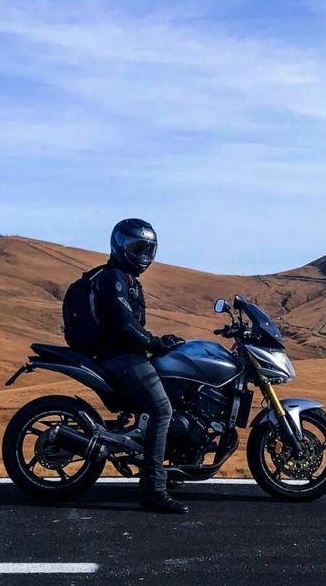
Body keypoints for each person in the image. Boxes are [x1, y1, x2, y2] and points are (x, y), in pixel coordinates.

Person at [91, 218, 188, 514]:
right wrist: (155, 343)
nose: (143, 255)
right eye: (137, 247)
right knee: (162, 411)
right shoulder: (113, 278)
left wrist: (160, 343)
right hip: (120, 358)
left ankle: (161, 468)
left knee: (172, 397)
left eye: (148, 248)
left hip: (127, 355)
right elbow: (124, 324)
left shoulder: (127, 279)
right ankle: (153, 490)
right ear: (120, 246)